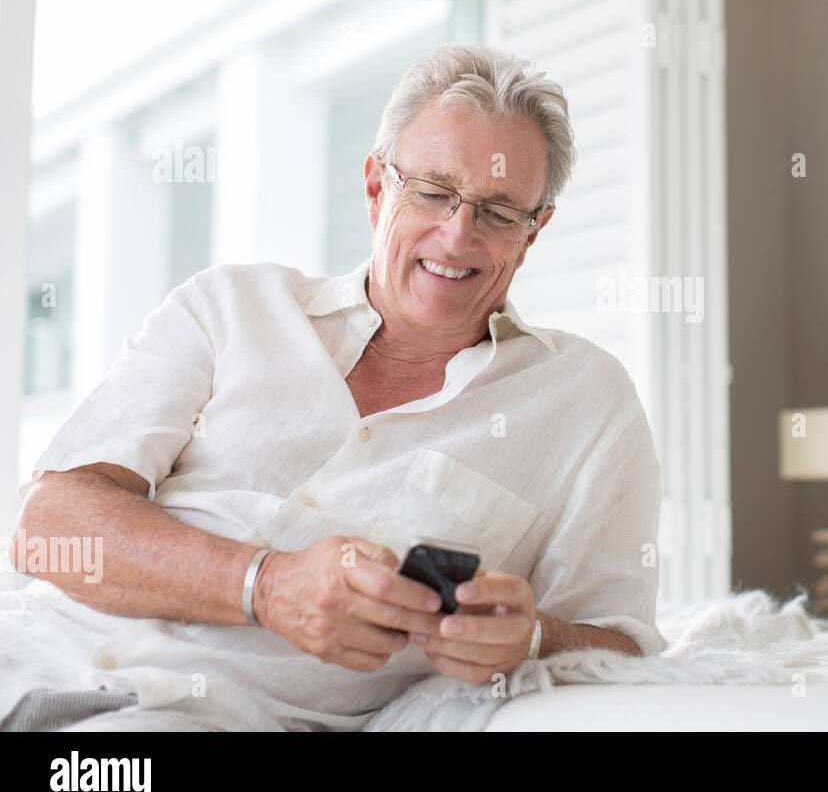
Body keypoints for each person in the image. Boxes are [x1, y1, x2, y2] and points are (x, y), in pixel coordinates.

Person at [0, 44, 666, 731]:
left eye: (498, 212)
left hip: (184, 723)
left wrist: (531, 640)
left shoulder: (587, 403)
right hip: (26, 658)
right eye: (433, 191)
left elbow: (625, 644)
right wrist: (266, 584)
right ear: (378, 187)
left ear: (533, 233)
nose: (457, 233)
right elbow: (47, 524)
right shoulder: (231, 306)